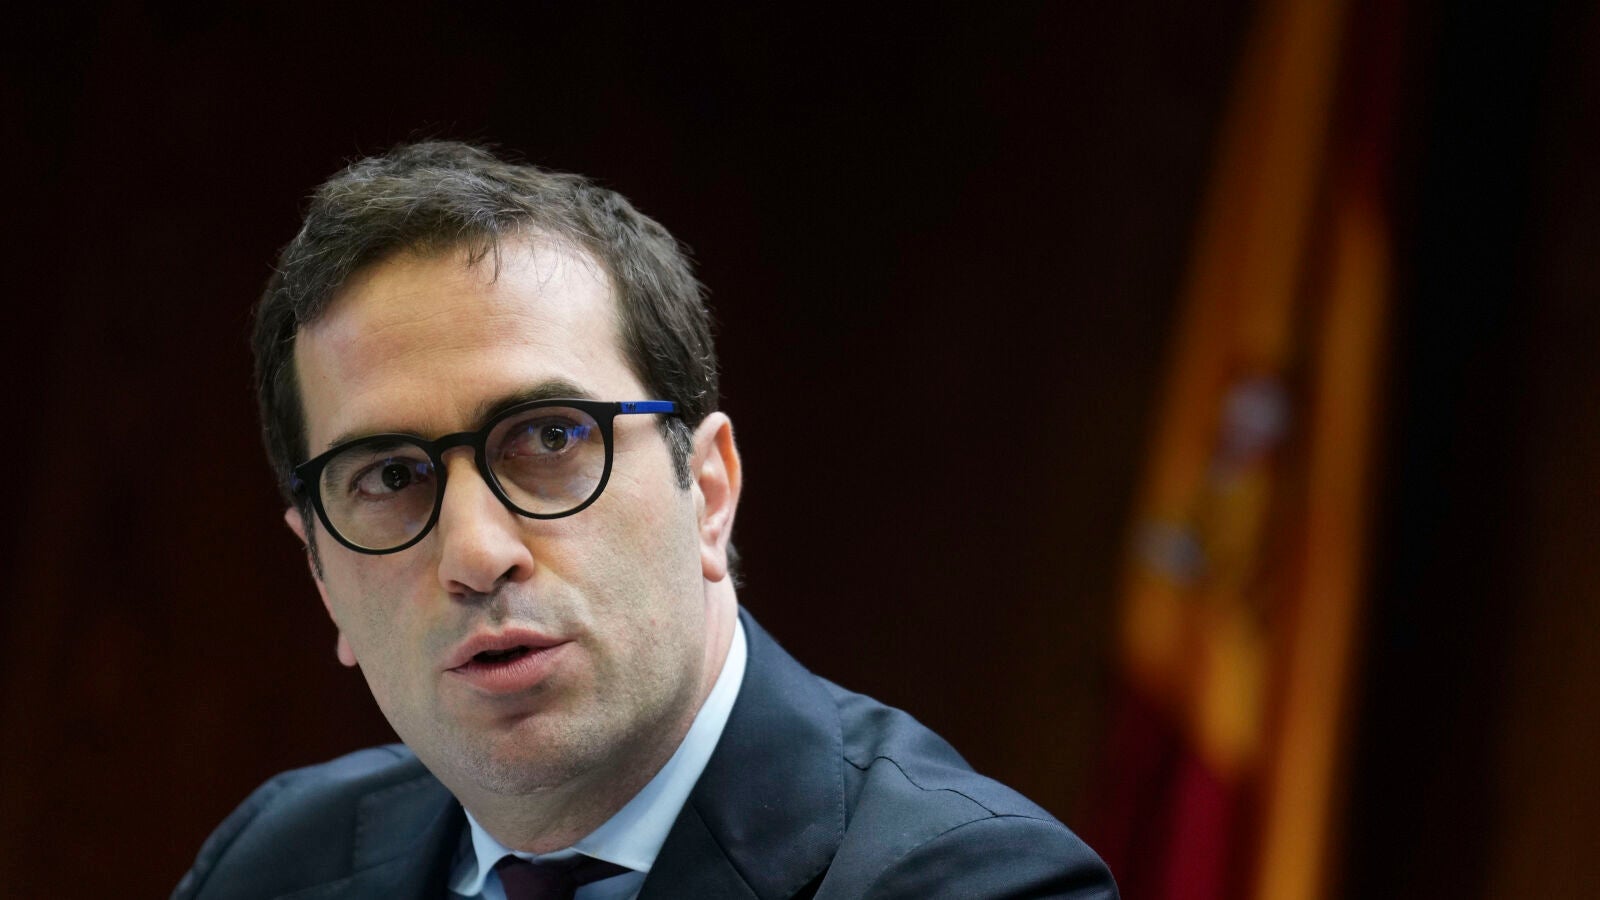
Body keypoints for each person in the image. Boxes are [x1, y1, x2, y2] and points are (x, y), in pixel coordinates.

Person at [174, 141, 1117, 900]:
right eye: (389, 476)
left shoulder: (980, 883)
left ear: (708, 490)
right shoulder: (271, 865)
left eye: (549, 436)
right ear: (321, 577)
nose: (476, 553)